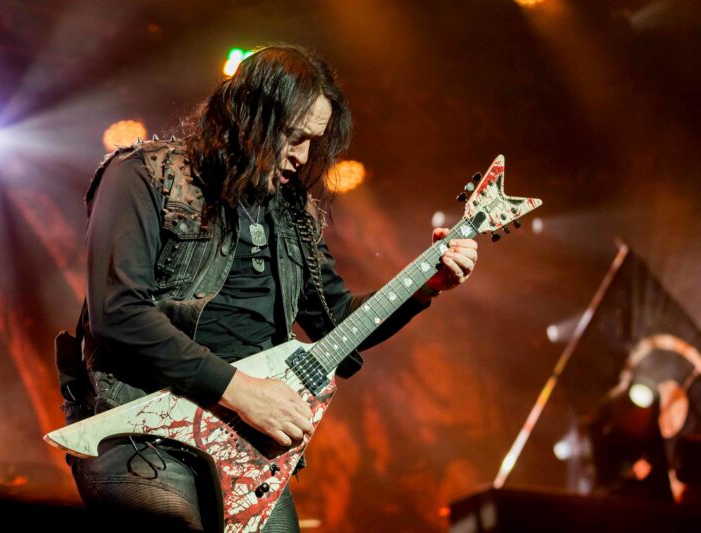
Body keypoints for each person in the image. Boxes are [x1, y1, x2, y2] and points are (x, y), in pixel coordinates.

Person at [64, 44, 478, 532]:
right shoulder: (143, 175)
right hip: (140, 429)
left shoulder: (292, 214)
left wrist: (425, 287)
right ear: (248, 116)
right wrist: (241, 392)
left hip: (243, 448)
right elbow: (119, 313)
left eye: (313, 142)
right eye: (294, 137)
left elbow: (338, 324)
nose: (303, 157)